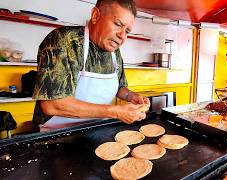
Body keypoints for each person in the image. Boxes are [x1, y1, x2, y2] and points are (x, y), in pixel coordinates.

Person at [32, 0, 150, 131]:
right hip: (55, 134)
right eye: (118, 24)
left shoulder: (114, 52)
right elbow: (52, 105)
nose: (122, 36)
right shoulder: (64, 40)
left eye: (127, 31)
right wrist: (115, 112)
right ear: (95, 15)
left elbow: (120, 87)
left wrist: (131, 96)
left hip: (95, 130)